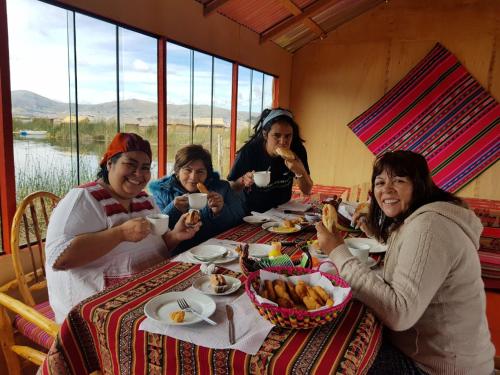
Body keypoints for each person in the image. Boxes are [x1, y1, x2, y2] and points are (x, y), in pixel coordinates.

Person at [316, 150, 494, 375]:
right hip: (437, 355)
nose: (386, 190)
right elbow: (413, 261)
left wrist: (336, 251)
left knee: (334, 356)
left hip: (436, 367)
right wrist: (379, 235)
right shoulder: (425, 218)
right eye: (380, 182)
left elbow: (399, 313)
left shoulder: (429, 226)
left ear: (418, 185)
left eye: (398, 180)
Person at [45, 133, 200, 323]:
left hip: (148, 299)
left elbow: (154, 250)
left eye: (145, 168)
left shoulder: (145, 200)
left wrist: (175, 236)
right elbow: (58, 259)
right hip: (98, 313)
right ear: (110, 164)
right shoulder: (83, 199)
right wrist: (121, 233)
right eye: (130, 164)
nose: (139, 174)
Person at [149, 144, 246, 252]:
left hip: (218, 250)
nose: (193, 177)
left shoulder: (221, 188)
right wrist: (173, 208)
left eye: (200, 171)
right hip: (180, 254)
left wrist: (220, 211)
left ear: (207, 173)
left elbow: (240, 221)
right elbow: (157, 235)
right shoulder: (162, 192)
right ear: (177, 172)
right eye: (188, 170)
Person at [227, 108, 313, 213]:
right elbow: (231, 187)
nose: (283, 142)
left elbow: (307, 190)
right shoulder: (249, 151)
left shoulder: (296, 150)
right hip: (252, 214)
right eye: (277, 135)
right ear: (265, 134)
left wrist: (300, 171)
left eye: (288, 136)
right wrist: (243, 180)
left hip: (283, 209)